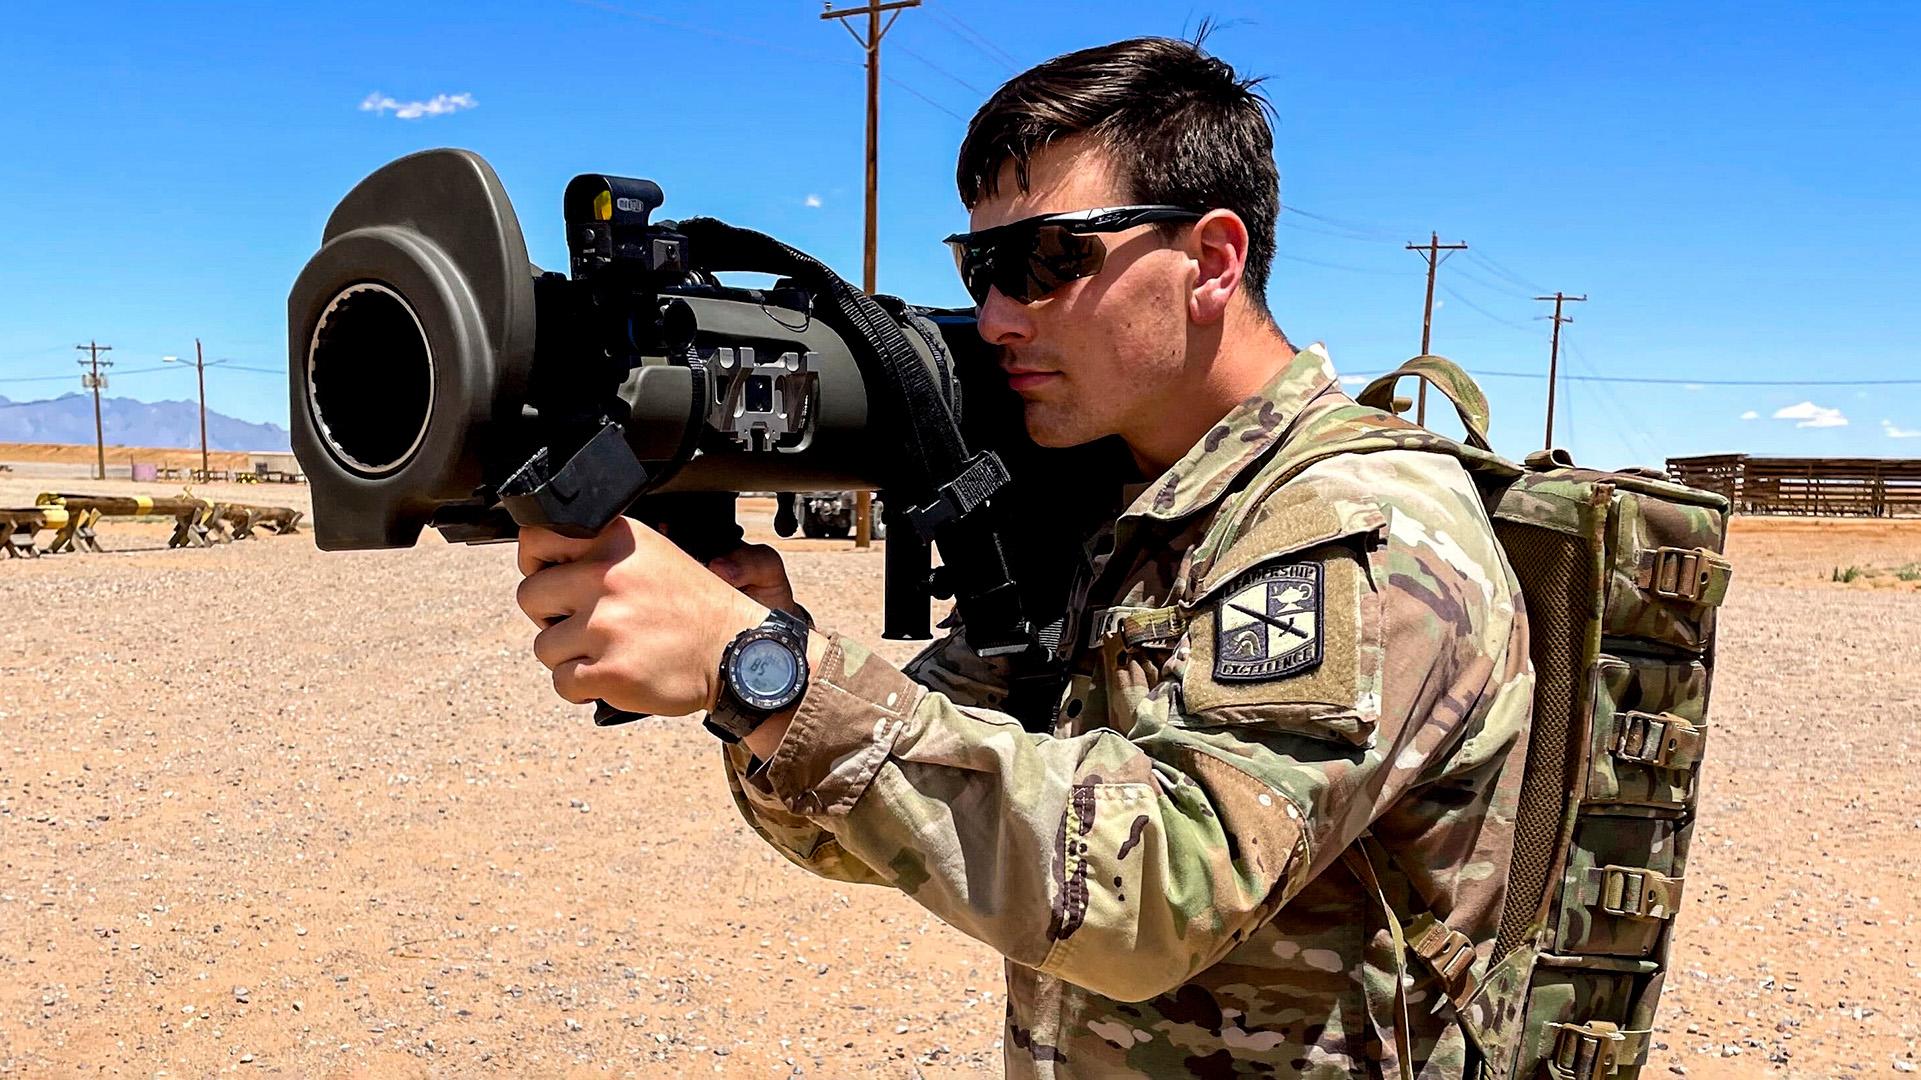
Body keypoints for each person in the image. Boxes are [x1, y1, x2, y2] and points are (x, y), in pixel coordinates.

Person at [514, 34, 1534, 1080]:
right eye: (980, 266)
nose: (995, 315)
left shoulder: (1355, 524)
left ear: (1211, 262)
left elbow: (1158, 898)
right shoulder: (1114, 514)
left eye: (1047, 260)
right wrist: (766, 672)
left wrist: (760, 670)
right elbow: (865, 831)